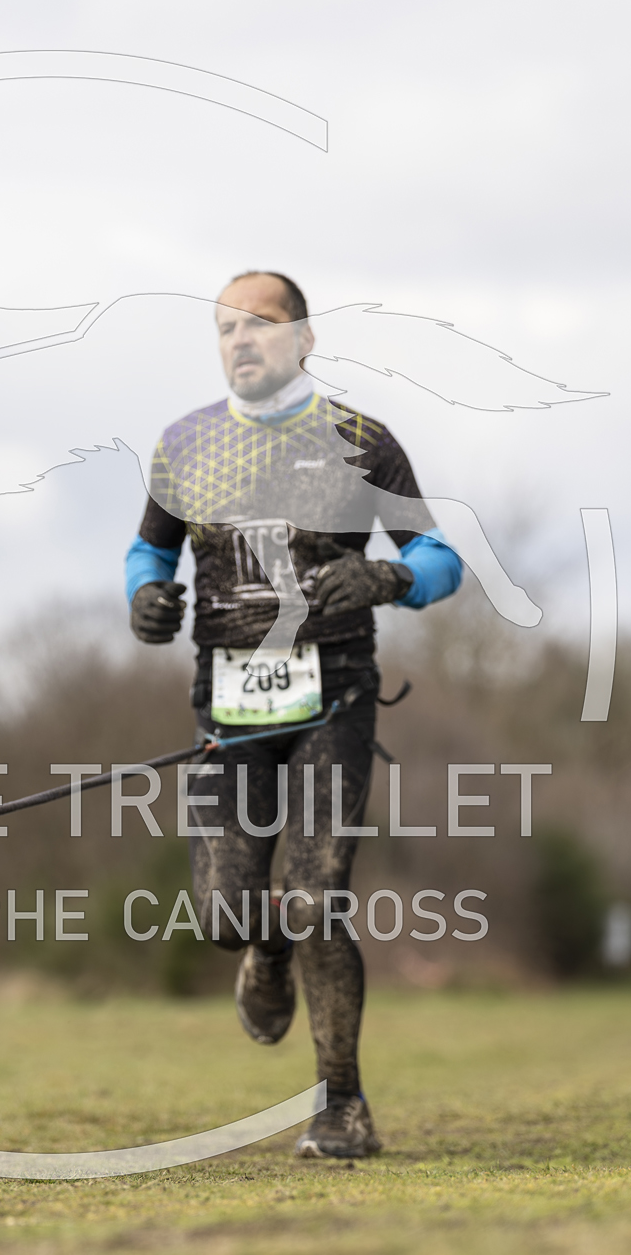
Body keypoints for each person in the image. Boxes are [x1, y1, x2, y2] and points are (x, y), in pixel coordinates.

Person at [124, 270, 463, 1158]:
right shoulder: (183, 445)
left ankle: (340, 1104)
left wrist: (388, 575)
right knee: (222, 915)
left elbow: (439, 556)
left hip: (334, 701)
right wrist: (145, 599)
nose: (239, 339)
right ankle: (262, 949)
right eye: (224, 327)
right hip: (226, 711)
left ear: (304, 340)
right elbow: (146, 552)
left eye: (260, 323)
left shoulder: (361, 441)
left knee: (315, 898)